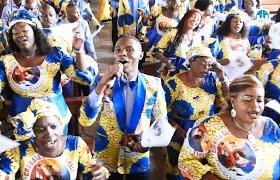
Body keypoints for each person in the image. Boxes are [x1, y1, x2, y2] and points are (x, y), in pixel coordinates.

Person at [0, 9, 95, 140]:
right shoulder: (6, 61)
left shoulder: (55, 54)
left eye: (24, 30)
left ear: (35, 31)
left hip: (55, 123)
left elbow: (81, 77)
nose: (20, 35)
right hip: (22, 126)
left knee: (53, 159)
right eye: (15, 33)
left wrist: (79, 51)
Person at [79, 35, 173, 179]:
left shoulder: (154, 85)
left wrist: (147, 141)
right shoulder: (101, 81)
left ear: (141, 55)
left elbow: (161, 122)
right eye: (118, 50)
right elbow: (85, 121)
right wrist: (102, 84)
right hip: (106, 158)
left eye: (129, 50)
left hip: (138, 159)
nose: (122, 53)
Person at [0, 99, 110, 179]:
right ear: (32, 132)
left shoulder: (76, 144)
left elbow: (93, 173)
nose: (49, 134)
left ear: (61, 125)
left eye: (53, 127)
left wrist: (99, 174)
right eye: (39, 129)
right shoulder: (19, 149)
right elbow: (2, 176)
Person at [178, 75, 280, 180]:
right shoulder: (209, 126)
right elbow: (186, 162)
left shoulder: (271, 127)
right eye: (247, 100)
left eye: (259, 100)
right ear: (233, 101)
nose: (255, 106)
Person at [162, 46, 228, 178]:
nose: (207, 68)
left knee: (200, 170)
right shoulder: (173, 84)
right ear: (191, 61)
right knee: (176, 169)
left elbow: (228, 101)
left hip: (205, 134)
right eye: (203, 63)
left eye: (210, 64)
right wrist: (178, 131)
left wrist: (222, 77)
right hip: (179, 133)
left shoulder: (213, 79)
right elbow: (161, 112)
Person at [154, 9, 202, 80]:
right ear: (186, 17)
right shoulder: (173, 32)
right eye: (193, 17)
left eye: (198, 19)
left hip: (186, 74)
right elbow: (157, 51)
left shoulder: (197, 37)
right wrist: (166, 61)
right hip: (169, 71)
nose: (195, 20)